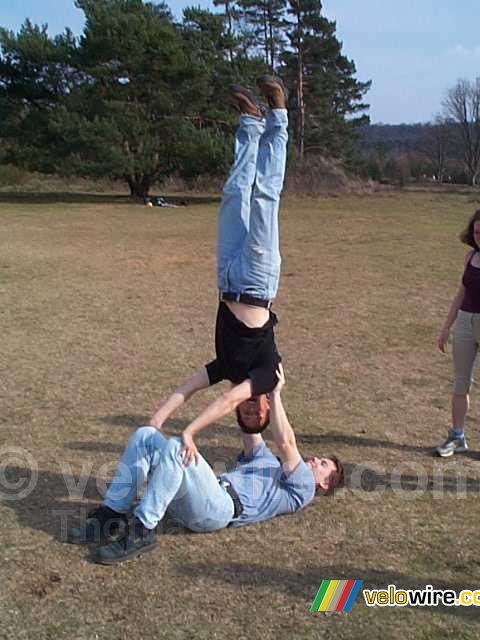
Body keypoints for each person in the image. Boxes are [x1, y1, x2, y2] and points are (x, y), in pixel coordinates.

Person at [67, 365, 344, 564]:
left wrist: (275, 392)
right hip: (202, 493)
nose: (314, 460)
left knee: (178, 447)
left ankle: (141, 531)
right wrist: (247, 382)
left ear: (323, 483)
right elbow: (249, 425)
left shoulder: (303, 490)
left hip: (218, 510)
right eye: (319, 458)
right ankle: (111, 515)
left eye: (322, 464)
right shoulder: (266, 460)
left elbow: (286, 443)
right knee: (145, 436)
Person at [149, 76, 290, 463]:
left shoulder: (227, 367)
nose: (248, 408)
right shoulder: (268, 376)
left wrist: (155, 420)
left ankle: (249, 122)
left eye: (245, 414)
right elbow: (230, 399)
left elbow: (188, 387)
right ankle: (279, 114)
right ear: (264, 409)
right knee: (264, 198)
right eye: (254, 412)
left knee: (233, 193)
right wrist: (191, 432)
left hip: (227, 277)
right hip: (259, 280)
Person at [436, 209, 480, 456]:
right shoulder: (470, 257)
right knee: (460, 382)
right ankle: (457, 436)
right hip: (465, 321)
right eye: (476, 232)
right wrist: (446, 327)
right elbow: (461, 293)